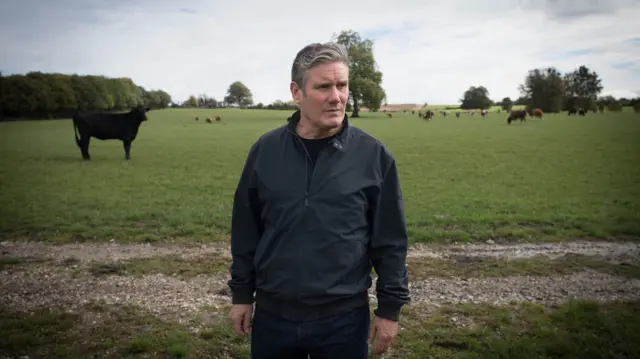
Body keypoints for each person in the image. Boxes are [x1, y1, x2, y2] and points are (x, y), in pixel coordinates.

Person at [227, 41, 410, 359]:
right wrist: (242, 294)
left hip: (343, 320)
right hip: (273, 318)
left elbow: (391, 242)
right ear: (296, 93)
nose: (336, 97)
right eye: (324, 87)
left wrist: (389, 309)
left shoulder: (373, 156)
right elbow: (246, 230)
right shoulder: (265, 151)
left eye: (342, 85)